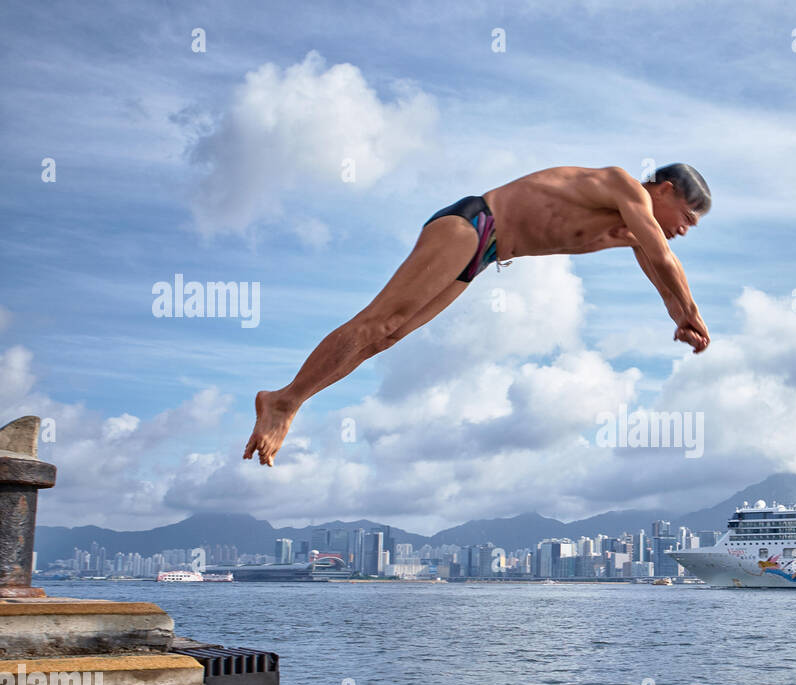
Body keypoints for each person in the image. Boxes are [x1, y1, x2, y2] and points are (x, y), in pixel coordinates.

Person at [243, 163, 712, 466]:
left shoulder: (629, 231)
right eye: (687, 218)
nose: (684, 231)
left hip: (483, 256)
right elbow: (664, 257)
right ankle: (284, 401)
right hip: (474, 224)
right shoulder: (622, 186)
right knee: (379, 321)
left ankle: (288, 400)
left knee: (387, 338)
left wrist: (680, 318)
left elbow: (660, 273)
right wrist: (693, 312)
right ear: (664, 190)